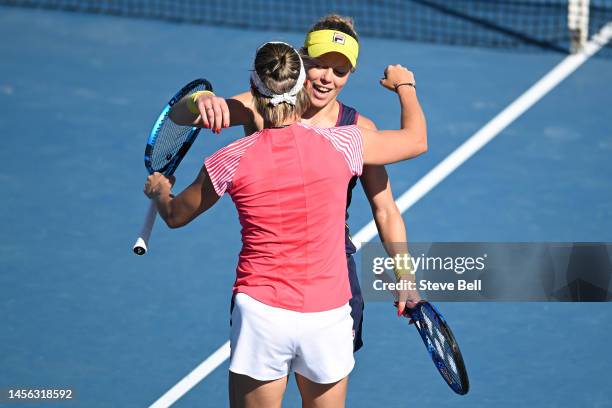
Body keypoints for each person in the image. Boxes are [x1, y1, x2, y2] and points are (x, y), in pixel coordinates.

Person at [147, 41, 425, 408]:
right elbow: (415, 139)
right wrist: (406, 87)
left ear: (253, 88)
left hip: (262, 315)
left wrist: (159, 192)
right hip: (326, 316)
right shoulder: (348, 143)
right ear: (300, 87)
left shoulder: (227, 159)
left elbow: (175, 215)